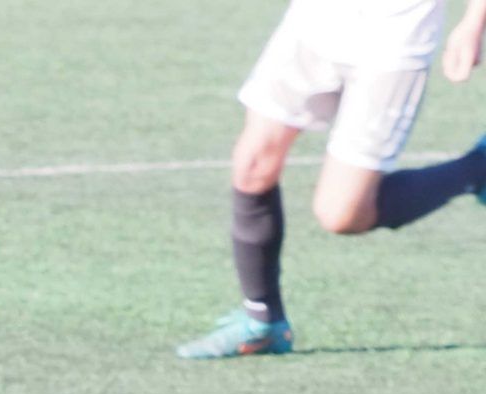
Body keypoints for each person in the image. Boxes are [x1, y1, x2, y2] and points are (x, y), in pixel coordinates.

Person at [178, 0, 486, 358]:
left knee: (342, 214)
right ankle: (262, 321)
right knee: (252, 164)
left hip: (394, 37)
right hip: (315, 21)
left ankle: (477, 168)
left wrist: (474, 21)